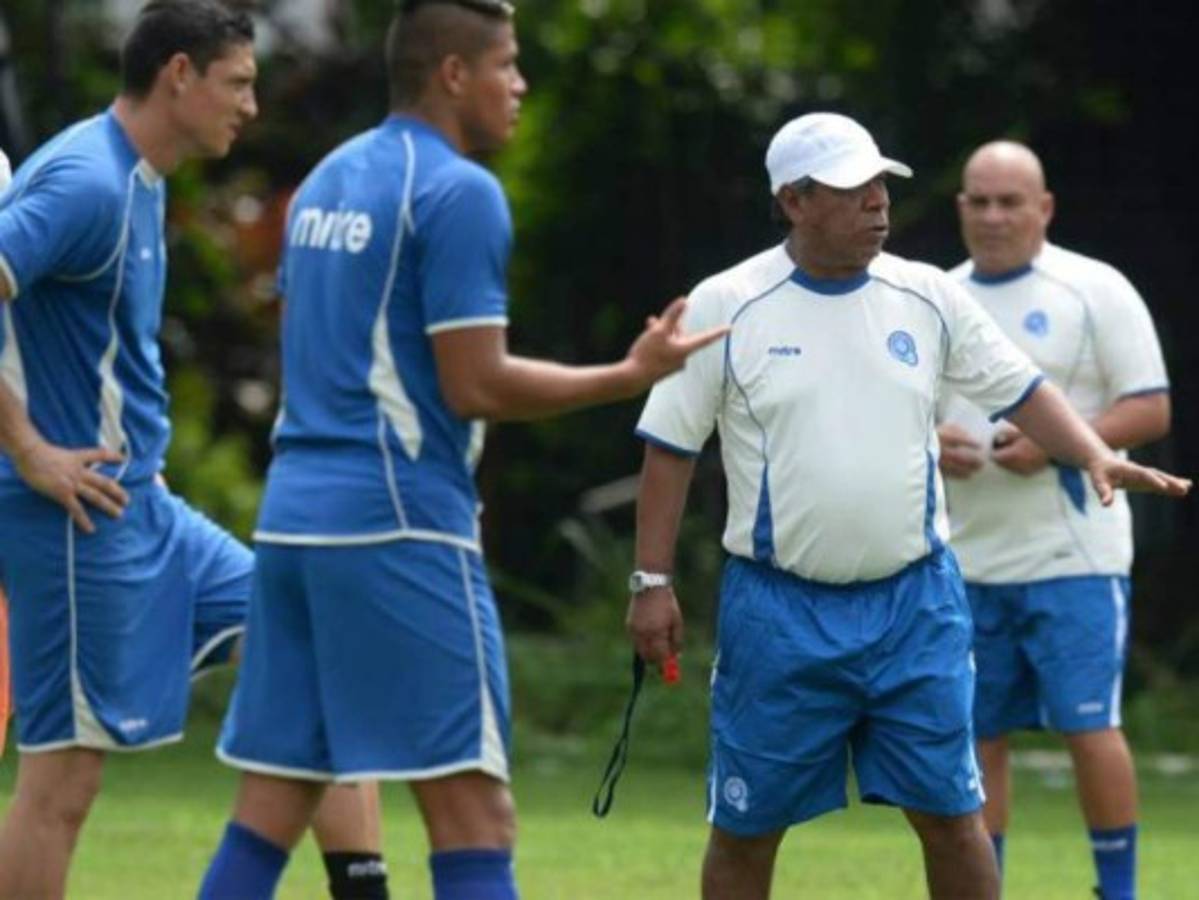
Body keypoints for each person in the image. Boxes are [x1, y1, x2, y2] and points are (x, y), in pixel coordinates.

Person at [196, 2, 728, 898]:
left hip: (291, 527)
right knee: (475, 819)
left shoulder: (326, 179)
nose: (518, 84)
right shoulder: (459, 191)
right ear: (452, 74)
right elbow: (474, 384)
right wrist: (627, 374)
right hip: (399, 525)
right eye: (505, 64)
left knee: (273, 803)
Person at [624, 112, 1190, 900]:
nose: (877, 203)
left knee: (952, 819)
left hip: (915, 605)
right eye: (852, 189)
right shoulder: (727, 303)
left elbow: (1020, 388)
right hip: (777, 611)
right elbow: (670, 447)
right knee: (746, 828)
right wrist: (650, 582)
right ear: (793, 201)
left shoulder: (926, 294)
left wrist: (1093, 452)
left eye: (880, 184)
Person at [0, 4, 386, 899]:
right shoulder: (86, 181)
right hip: (72, 516)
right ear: (179, 74)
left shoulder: (138, 175)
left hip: (145, 504)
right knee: (64, 781)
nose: (251, 105)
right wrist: (28, 450)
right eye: (238, 83)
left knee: (313, 649)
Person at [935, 140, 1170, 900]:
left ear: (1044, 208)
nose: (993, 216)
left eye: (1010, 201)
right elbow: (901, 410)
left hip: (1075, 558)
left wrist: (1057, 442)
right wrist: (929, 443)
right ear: (960, 208)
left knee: (1087, 726)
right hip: (965, 561)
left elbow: (1151, 407)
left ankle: (1117, 890)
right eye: (979, 201)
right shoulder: (936, 297)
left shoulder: (1093, 289)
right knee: (977, 736)